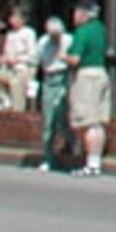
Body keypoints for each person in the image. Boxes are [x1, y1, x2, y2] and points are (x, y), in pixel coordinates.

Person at [66, 0, 112, 176]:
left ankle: (90, 163)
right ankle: (95, 160)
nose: (74, 16)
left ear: (84, 14)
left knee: (86, 121)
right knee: (98, 121)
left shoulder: (82, 32)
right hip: (102, 73)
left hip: (86, 76)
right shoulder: (101, 29)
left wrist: (63, 56)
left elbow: (75, 59)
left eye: (77, 12)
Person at [34, 16, 73, 170]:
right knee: (48, 120)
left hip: (64, 77)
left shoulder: (69, 40)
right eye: (52, 35)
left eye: (57, 35)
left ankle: (71, 145)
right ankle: (48, 157)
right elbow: (36, 62)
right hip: (49, 79)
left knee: (63, 116)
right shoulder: (43, 42)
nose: (54, 38)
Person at [0, 5, 37, 111]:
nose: (12, 20)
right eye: (11, 18)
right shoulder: (10, 35)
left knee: (15, 84)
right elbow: (7, 53)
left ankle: (18, 108)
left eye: (15, 18)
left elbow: (32, 55)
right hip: (9, 69)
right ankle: (4, 101)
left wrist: (17, 60)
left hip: (24, 69)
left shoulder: (28, 33)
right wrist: (2, 59)